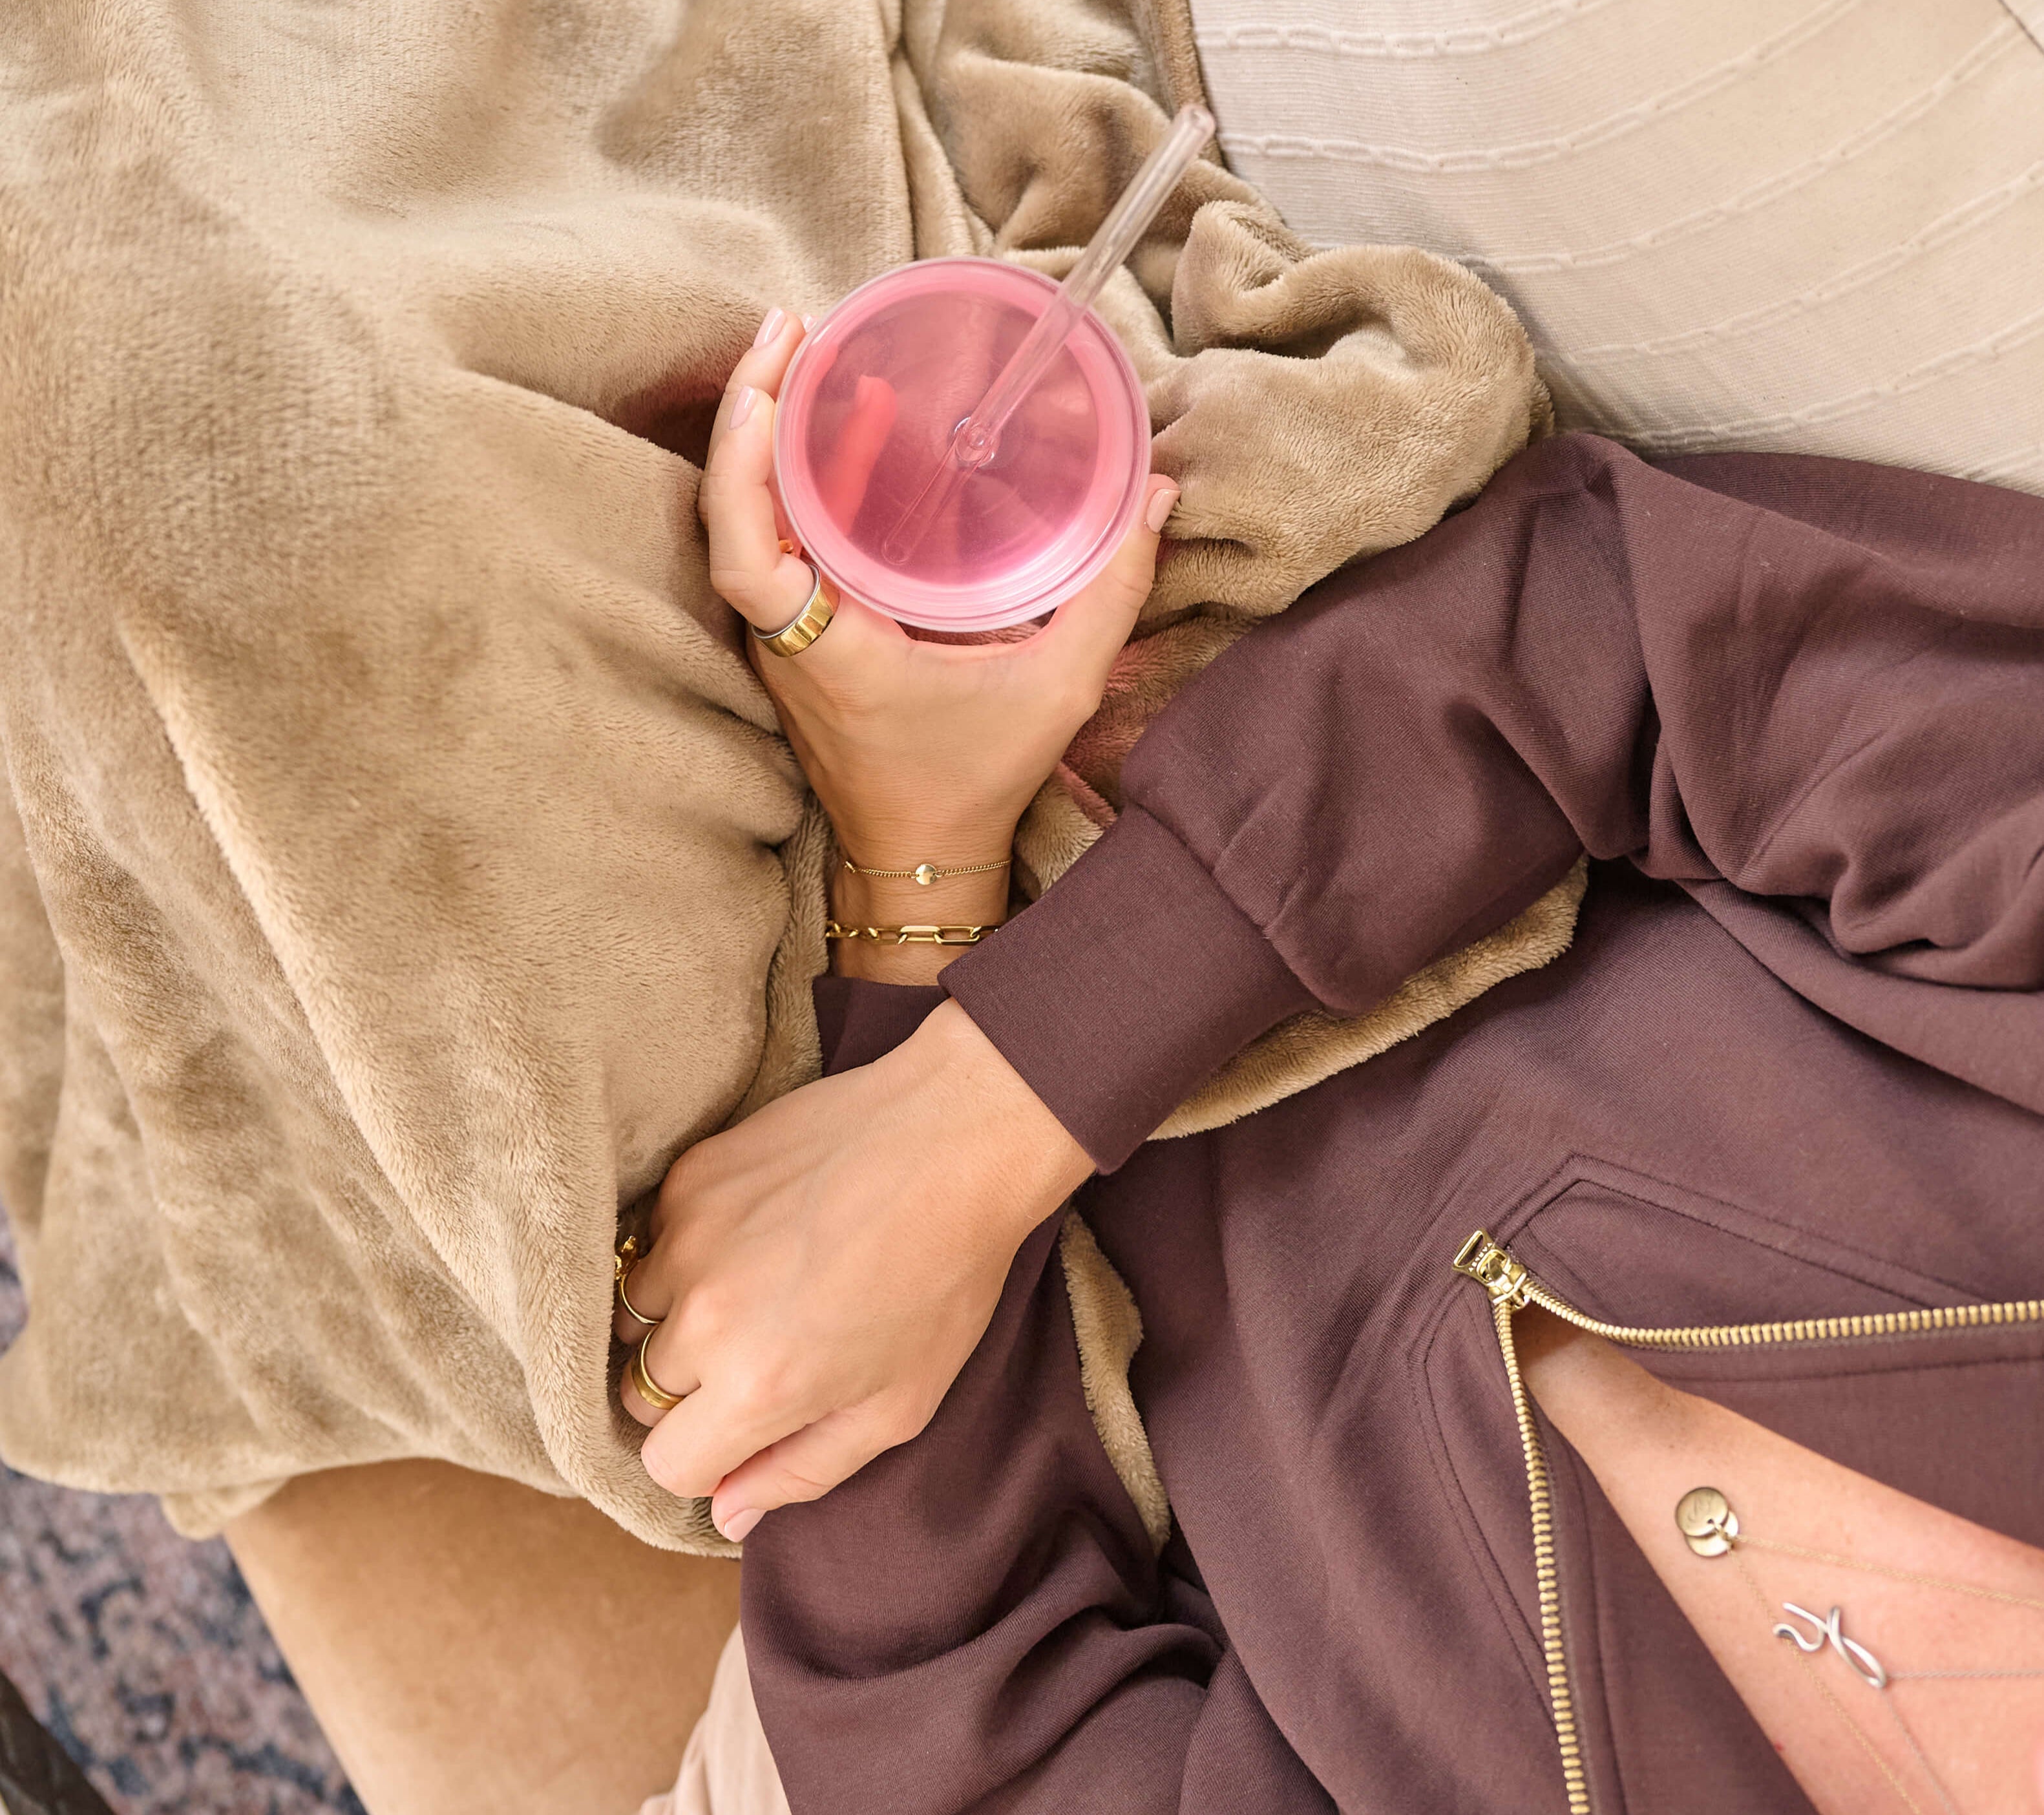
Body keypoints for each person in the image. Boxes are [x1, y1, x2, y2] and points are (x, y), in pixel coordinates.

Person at [617, 330, 2044, 1812]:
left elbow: (958, 1717)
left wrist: (914, 881)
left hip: (836, 1118)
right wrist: (990, 1101)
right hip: (1243, 621)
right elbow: (1657, 627)